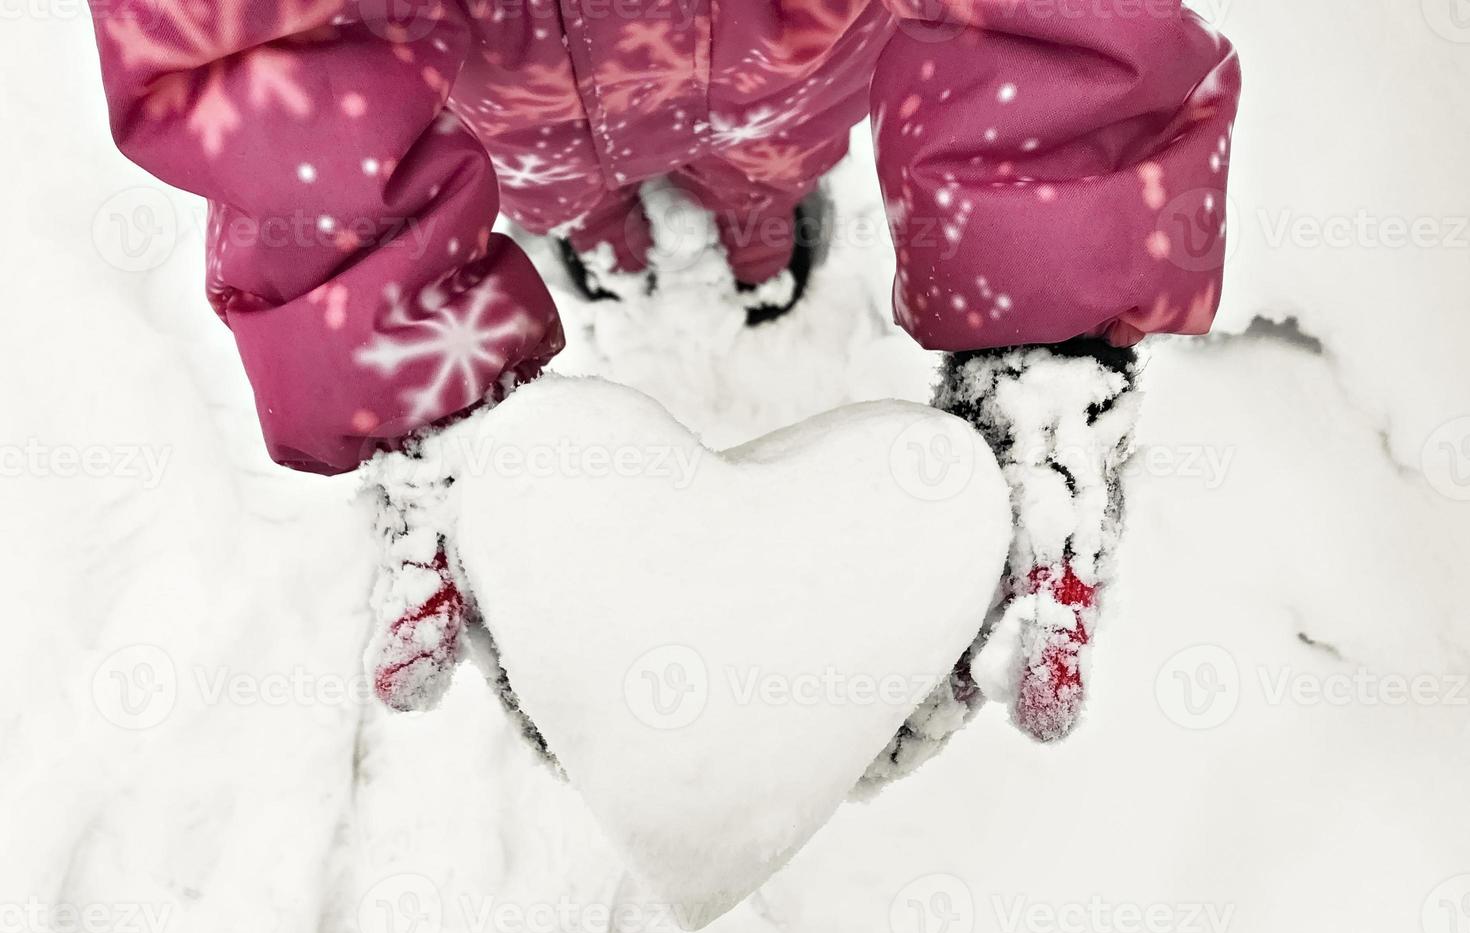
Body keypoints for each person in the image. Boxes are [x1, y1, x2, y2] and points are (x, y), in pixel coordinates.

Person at [87, 0, 1240, 756]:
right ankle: (608, 239)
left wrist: (1044, 331)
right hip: (518, 99)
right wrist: (406, 344)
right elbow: (241, 42)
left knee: (760, 179)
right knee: (569, 195)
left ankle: (757, 230)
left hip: (789, 73)